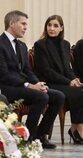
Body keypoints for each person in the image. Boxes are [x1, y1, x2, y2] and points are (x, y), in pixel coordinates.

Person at [0, 10, 65, 149]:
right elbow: (4, 74)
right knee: (41, 97)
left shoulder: (22, 46)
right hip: (7, 88)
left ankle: (41, 135)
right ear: (12, 23)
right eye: (23, 24)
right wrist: (28, 85)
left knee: (58, 96)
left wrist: (37, 83)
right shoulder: (0, 44)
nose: (25, 27)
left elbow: (28, 71)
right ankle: (27, 138)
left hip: (23, 87)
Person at [33, 15, 83, 145]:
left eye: (55, 26)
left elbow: (67, 68)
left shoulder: (65, 44)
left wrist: (74, 79)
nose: (52, 28)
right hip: (49, 82)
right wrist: (68, 82)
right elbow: (46, 71)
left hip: (63, 82)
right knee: (79, 92)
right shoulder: (40, 45)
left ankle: (75, 128)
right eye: (49, 25)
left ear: (61, 28)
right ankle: (80, 130)